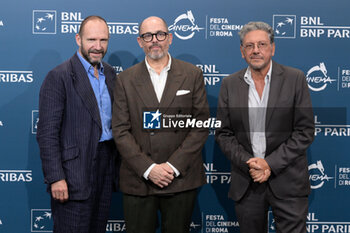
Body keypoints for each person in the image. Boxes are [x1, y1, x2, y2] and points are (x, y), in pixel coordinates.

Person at [112, 16, 209, 233]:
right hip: (139, 180)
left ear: (170, 38)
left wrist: (171, 167)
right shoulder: (125, 80)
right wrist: (148, 169)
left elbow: (201, 125)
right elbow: (120, 130)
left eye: (160, 34)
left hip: (180, 179)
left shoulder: (192, 74)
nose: (154, 40)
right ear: (140, 41)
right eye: (148, 35)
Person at [215, 21, 315, 233]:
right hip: (248, 181)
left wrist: (269, 164)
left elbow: (304, 131)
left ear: (272, 48)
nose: (256, 50)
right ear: (242, 52)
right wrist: (250, 164)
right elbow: (223, 134)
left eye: (261, 44)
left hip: (287, 181)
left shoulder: (295, 79)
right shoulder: (229, 84)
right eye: (249, 46)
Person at [36, 15, 118, 233]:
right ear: (78, 39)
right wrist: (56, 177)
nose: (97, 47)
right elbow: (47, 134)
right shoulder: (59, 76)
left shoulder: (110, 74)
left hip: (105, 168)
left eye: (103, 40)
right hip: (73, 175)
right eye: (91, 40)